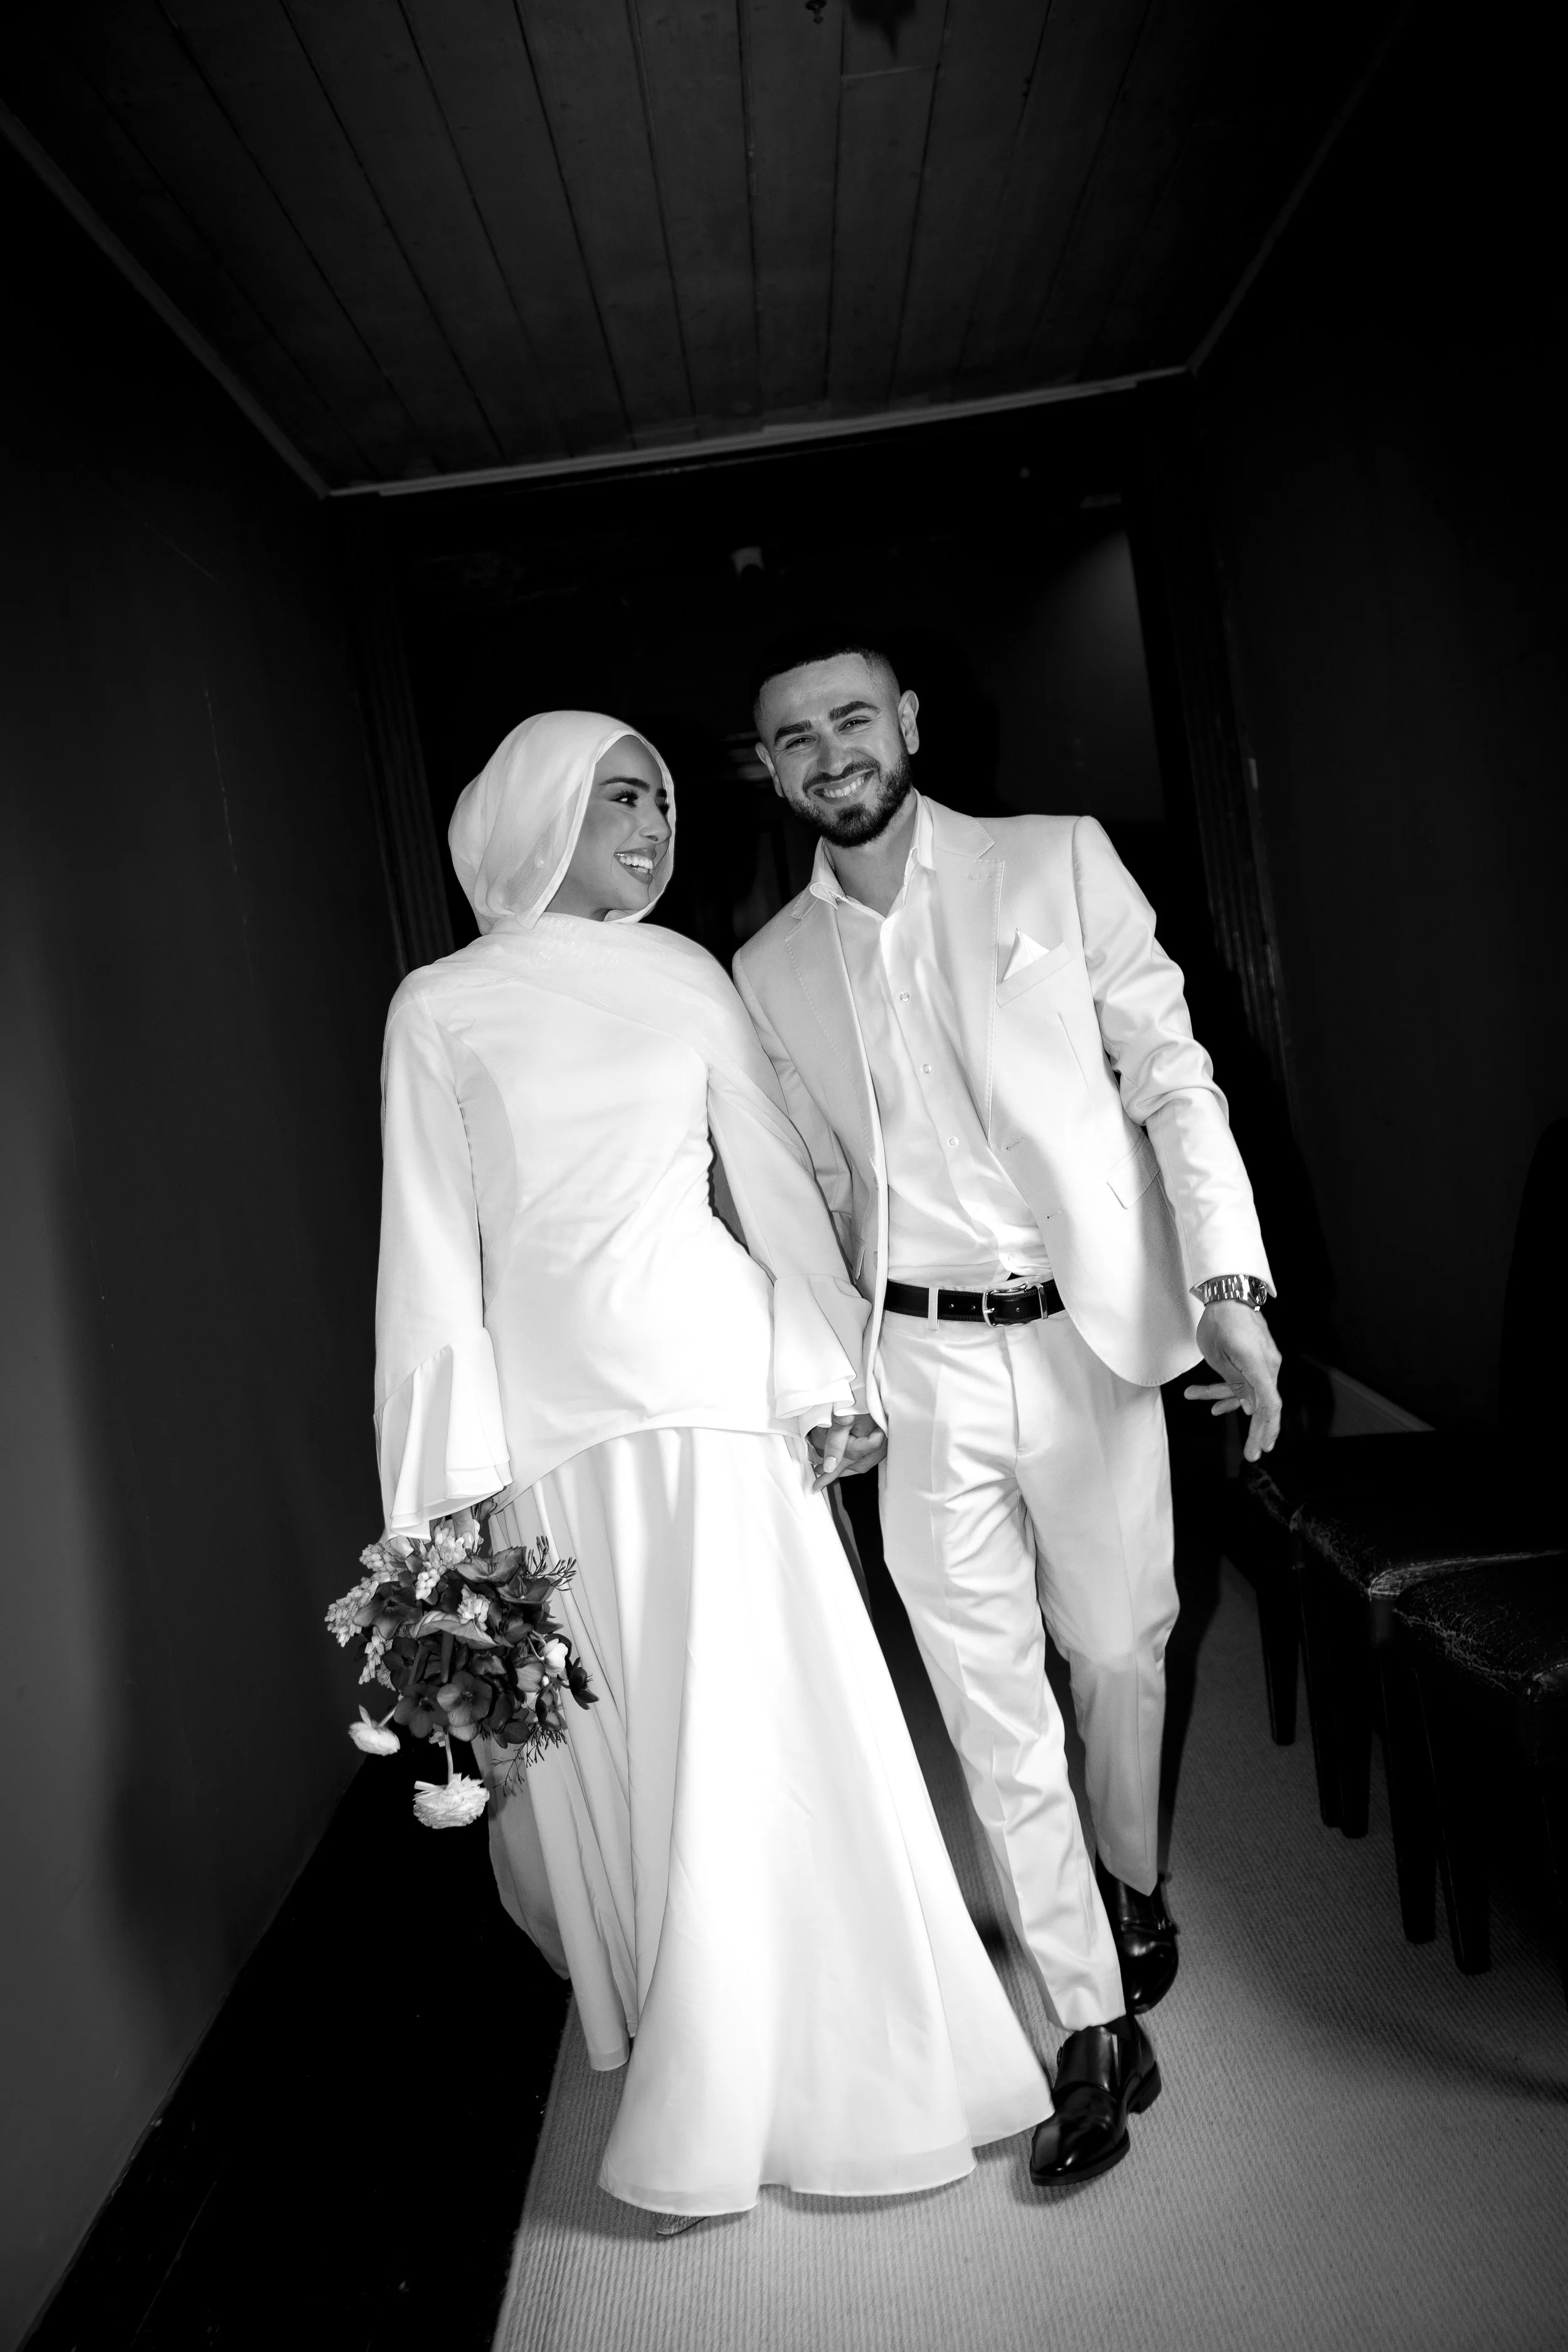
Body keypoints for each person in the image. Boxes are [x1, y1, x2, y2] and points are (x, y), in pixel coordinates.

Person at [372, 709, 1049, 2228]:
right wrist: (439, 1493)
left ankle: (809, 2056)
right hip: (555, 1430)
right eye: (620, 798)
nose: (653, 825)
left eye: (664, 801)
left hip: (714, 1391)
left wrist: (822, 1371)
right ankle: (681, 2014)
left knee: (763, 1719)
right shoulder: (438, 1008)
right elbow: (426, 1256)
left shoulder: (683, 976)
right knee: (632, 1736)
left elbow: (771, 1186)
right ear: (538, 811)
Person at [733, 633, 1283, 2188]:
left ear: (908, 719)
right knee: (986, 1695)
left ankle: (1129, 1878)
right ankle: (1083, 2021)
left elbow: (1170, 1076)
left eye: (852, 715)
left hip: (1080, 1339)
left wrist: (1227, 1288)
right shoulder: (766, 971)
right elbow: (811, 1203)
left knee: (1115, 1649)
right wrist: (827, 1382)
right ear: (765, 769)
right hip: (913, 1368)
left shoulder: (1056, 863)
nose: (829, 751)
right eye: (792, 737)